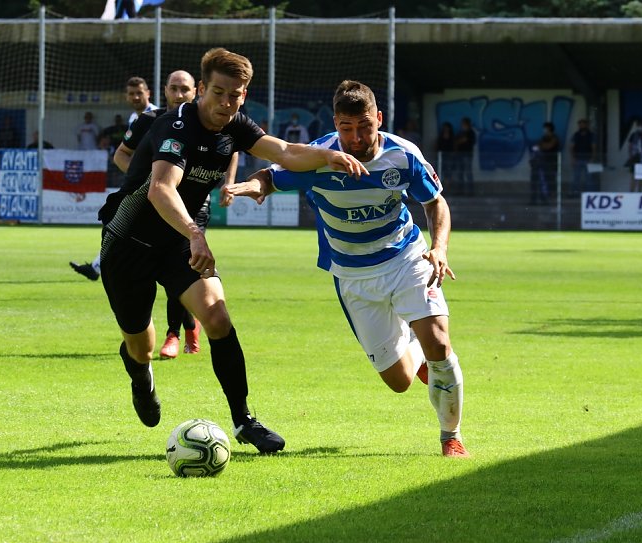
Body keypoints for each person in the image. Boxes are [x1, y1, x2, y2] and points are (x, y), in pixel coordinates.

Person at [98, 48, 366, 453]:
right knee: (141, 344)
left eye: (235, 95)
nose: (226, 103)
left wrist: (327, 155)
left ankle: (244, 422)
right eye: (218, 93)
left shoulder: (235, 124)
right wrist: (195, 232)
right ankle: (141, 375)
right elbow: (160, 189)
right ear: (201, 89)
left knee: (217, 317)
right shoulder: (177, 126)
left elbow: (285, 153)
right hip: (128, 242)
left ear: (244, 94)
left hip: (177, 243)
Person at [222, 79, 469, 458]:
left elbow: (435, 203)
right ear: (336, 123)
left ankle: (450, 437)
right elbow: (273, 175)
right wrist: (254, 185)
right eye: (346, 128)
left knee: (439, 341)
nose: (355, 137)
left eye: (365, 126)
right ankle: (416, 351)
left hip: (406, 257)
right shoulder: (318, 156)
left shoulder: (403, 156)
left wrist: (439, 247)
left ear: (379, 119)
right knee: (400, 381)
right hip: (353, 275)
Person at [71, 70, 232, 360]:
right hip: (153, 206)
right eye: (174, 89)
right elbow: (121, 154)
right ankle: (184, 326)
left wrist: (227, 182)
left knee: (184, 268)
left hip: (194, 210)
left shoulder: (210, 122)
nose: (179, 94)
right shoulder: (150, 120)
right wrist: (147, 182)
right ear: (165, 90)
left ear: (196, 91)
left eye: (185, 89)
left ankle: (175, 333)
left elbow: (231, 148)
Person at [530, 122, 559, 205]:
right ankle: (537, 199)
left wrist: (541, 146)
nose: (544, 130)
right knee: (539, 181)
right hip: (541, 162)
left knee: (549, 181)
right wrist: (541, 146)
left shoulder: (554, 137)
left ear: (549, 129)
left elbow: (549, 146)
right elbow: (537, 146)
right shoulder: (543, 138)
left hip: (551, 162)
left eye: (545, 128)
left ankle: (547, 199)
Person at [569, 118, 596, 197]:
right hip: (578, 159)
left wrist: (592, 158)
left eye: (583, 124)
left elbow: (594, 147)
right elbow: (571, 147)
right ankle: (574, 193)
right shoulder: (576, 135)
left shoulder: (591, 135)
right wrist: (573, 158)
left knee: (589, 178)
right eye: (580, 124)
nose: (582, 125)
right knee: (576, 177)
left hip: (588, 159)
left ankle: (589, 195)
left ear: (587, 125)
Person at [627, 118, 642, 193]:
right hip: (635, 159)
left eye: (641, 125)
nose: (640, 127)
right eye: (638, 125)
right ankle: (631, 193)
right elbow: (630, 147)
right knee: (634, 177)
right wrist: (631, 157)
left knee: (641, 177)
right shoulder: (633, 135)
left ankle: (640, 193)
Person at [453, 116, 475, 195]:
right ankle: (460, 191)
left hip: (467, 155)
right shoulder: (460, 133)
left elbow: (464, 140)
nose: (462, 125)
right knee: (460, 173)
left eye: (464, 124)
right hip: (460, 155)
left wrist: (460, 141)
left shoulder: (471, 132)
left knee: (468, 173)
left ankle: (470, 192)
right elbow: (456, 141)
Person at [436, 121, 456, 191]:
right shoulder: (441, 136)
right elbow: (438, 145)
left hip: (449, 157)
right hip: (442, 157)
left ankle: (448, 187)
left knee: (449, 172)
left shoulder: (452, 137)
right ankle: (442, 187)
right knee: (442, 171)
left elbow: (453, 146)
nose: (446, 129)